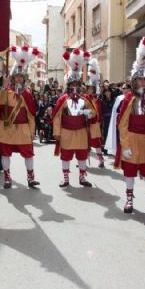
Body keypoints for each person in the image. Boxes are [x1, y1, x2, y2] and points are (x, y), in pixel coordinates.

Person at [117, 37, 145, 213]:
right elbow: (123, 124)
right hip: (132, 140)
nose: (142, 83)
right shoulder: (129, 99)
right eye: (139, 80)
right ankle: (129, 198)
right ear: (134, 82)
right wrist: (125, 145)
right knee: (130, 171)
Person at [0, 46, 39, 188]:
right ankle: (7, 178)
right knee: (5, 153)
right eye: (16, 77)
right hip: (8, 127)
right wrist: (4, 88)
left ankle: (30, 178)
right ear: (12, 78)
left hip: (23, 129)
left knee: (28, 154)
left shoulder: (28, 94)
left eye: (21, 77)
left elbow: (31, 115)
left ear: (24, 79)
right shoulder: (6, 91)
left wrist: (31, 131)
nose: (18, 79)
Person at [53, 49, 97, 188]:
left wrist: (87, 113)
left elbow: (94, 114)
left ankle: (82, 177)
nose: (75, 87)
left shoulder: (86, 99)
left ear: (80, 86)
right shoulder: (62, 99)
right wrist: (57, 132)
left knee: (82, 155)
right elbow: (57, 117)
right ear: (68, 86)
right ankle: (65, 177)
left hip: (81, 132)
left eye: (77, 85)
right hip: (66, 131)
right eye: (73, 85)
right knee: (65, 155)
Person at [84, 59, 105, 167]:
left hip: (94, 124)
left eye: (91, 89)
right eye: (88, 88)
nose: (89, 90)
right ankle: (83, 161)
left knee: (96, 143)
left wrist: (93, 116)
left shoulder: (97, 100)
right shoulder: (84, 99)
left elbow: (98, 113)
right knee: (85, 143)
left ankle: (101, 160)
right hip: (86, 124)